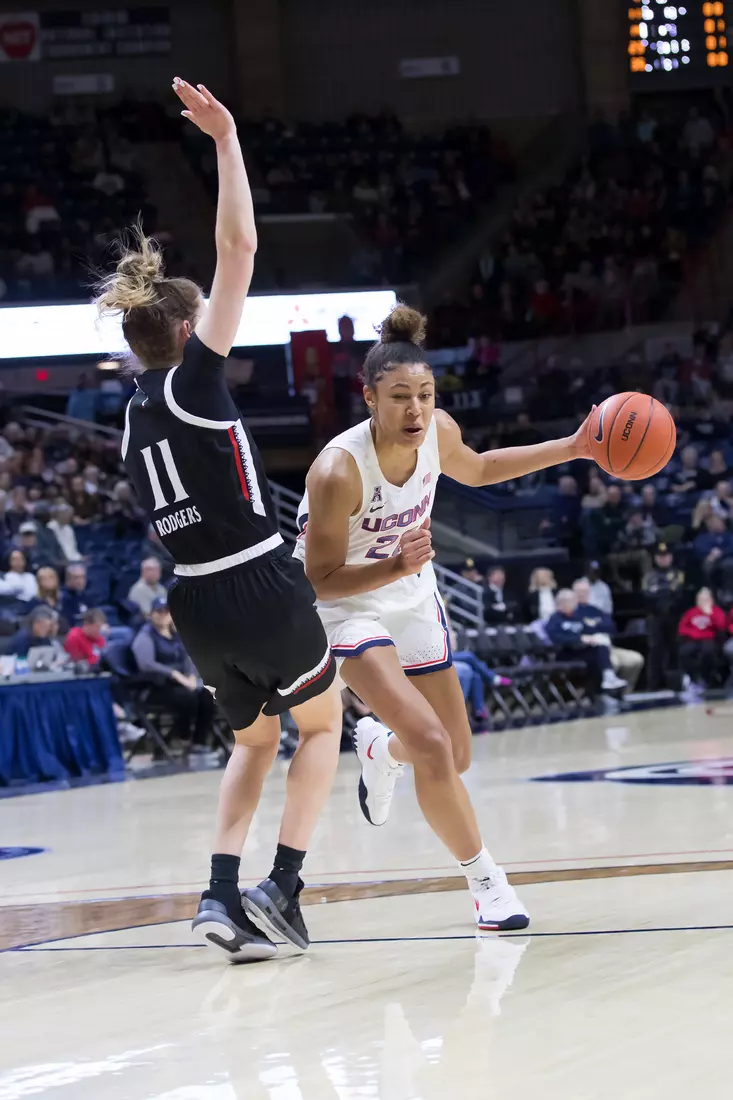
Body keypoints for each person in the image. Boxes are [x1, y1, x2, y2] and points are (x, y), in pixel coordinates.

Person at [102, 78, 341, 962]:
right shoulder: (195, 381)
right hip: (252, 577)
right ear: (190, 331)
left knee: (254, 741)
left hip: (193, 602)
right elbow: (236, 244)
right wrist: (227, 140)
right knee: (322, 727)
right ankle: (281, 885)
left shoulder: (131, 409)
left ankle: (215, 895)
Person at [295, 302, 596, 932]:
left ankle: (380, 747)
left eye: (425, 395)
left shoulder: (439, 432)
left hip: (408, 594)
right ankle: (488, 884)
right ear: (369, 397)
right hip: (343, 607)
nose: (415, 410)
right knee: (431, 741)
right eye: (399, 396)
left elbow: (482, 470)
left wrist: (574, 447)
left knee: (453, 755)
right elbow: (318, 580)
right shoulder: (338, 470)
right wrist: (394, 566)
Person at [131, 598, 215, 753]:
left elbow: (188, 657)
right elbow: (146, 663)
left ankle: (199, 741)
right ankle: (181, 737)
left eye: (166, 612)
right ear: (151, 614)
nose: (163, 615)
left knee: (206, 695)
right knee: (187, 699)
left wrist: (191, 675)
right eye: (159, 612)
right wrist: (174, 674)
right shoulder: (145, 636)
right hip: (157, 686)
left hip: (182, 683)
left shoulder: (177, 634)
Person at [545, 588, 626, 693]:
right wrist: (579, 639)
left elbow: (590, 629)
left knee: (601, 648)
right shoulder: (555, 619)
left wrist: (592, 637)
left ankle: (608, 678)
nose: (575, 604)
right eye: (572, 601)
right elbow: (556, 638)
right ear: (562, 603)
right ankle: (601, 688)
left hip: (581, 650)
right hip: (566, 653)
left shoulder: (577, 617)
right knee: (596, 657)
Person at [572, 578, 643, 690]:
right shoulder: (571, 612)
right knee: (613, 663)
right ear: (573, 593)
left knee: (636, 659)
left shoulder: (595, 610)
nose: (582, 594)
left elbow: (611, 627)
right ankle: (604, 695)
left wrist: (592, 627)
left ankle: (626, 692)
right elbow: (579, 630)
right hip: (590, 649)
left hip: (610, 647)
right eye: (579, 592)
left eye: (585, 591)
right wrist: (596, 627)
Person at [641, 542, 686, 691]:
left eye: (666, 556)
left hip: (674, 617)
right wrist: (666, 591)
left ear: (671, 557)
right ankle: (653, 686)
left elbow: (677, 594)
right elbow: (647, 595)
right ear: (655, 558)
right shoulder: (649, 576)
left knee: (675, 650)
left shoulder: (678, 574)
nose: (663, 559)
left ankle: (676, 685)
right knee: (655, 651)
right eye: (660, 556)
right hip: (655, 618)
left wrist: (659, 591)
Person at [677, 587, 726, 691]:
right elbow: (682, 629)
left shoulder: (716, 611)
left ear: (711, 600)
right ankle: (693, 678)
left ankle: (706, 678)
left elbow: (721, 626)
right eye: (700, 600)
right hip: (693, 639)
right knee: (684, 652)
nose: (703, 602)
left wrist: (710, 614)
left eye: (706, 599)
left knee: (707, 652)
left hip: (710, 639)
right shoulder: (691, 612)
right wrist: (694, 634)